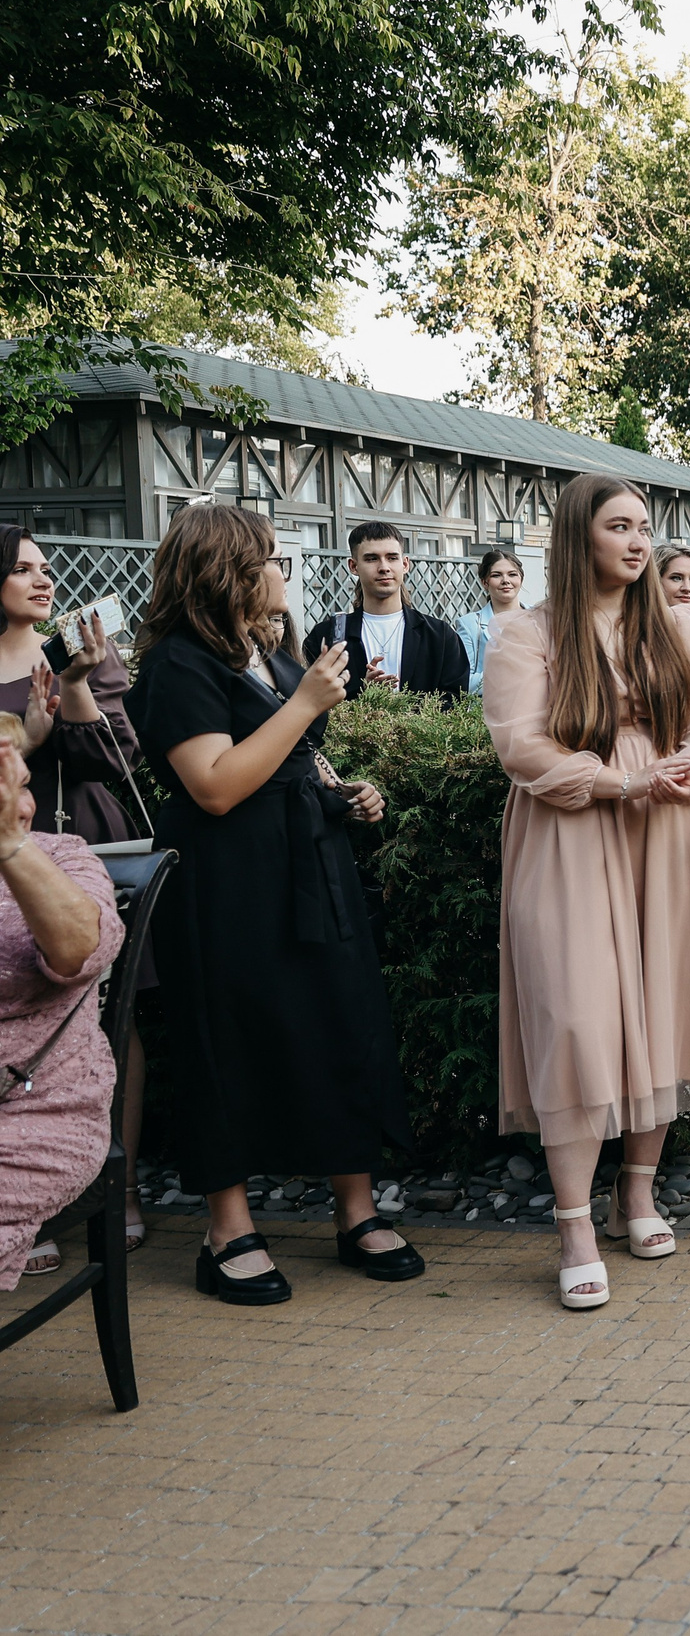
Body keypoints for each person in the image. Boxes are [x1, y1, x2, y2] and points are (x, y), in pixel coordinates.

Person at [128, 504, 421, 1305]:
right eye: (272, 558)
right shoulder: (177, 665)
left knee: (337, 1023)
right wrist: (308, 704)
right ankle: (228, 1230)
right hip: (226, 888)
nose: (283, 572)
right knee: (230, 1041)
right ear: (230, 571)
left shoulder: (268, 653)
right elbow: (215, 784)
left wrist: (343, 792)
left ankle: (354, 1212)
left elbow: (293, 759)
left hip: (309, 872)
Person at [482, 473, 690, 1309]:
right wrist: (623, 783)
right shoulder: (527, 632)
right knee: (579, 1017)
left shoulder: (680, 623)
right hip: (571, 830)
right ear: (577, 536)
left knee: (661, 1007)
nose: (638, 541)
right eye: (619, 527)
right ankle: (572, 1223)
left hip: (671, 832)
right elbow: (520, 747)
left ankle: (636, 1189)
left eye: (644, 527)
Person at [0, 527, 151, 1275]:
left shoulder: (78, 649)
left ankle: (115, 1188)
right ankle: (33, 1201)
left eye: (46, 568)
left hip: (88, 846)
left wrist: (82, 683)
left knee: (111, 1022)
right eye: (22, 568)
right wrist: (26, 737)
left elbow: (117, 760)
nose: (41, 580)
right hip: (11, 857)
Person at [0, 724, 127, 1294]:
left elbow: (80, 950)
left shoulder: (64, 857)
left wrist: (10, 845)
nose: (22, 805)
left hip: (37, 1117)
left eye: (22, 785)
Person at [302, 521, 470, 702]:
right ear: (353, 566)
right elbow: (312, 702)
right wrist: (364, 696)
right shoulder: (327, 637)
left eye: (392, 557)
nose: (384, 567)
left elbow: (455, 701)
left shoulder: (440, 636)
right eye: (371, 558)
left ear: (405, 564)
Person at [457, 549, 524, 695]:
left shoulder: (540, 619)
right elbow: (462, 681)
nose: (505, 580)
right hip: (487, 712)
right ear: (484, 582)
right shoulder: (470, 624)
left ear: (521, 579)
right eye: (496, 575)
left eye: (512, 574)